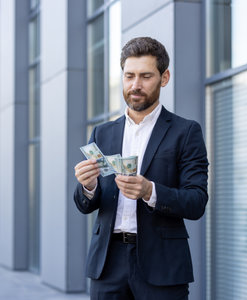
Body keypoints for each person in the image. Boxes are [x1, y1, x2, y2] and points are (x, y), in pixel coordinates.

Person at [73, 37, 208, 300]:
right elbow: (85, 205)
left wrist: (150, 191)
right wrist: (88, 187)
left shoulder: (186, 131)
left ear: (164, 77)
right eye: (129, 76)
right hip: (107, 263)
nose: (135, 85)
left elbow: (196, 201)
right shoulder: (102, 132)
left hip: (163, 264)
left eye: (146, 76)